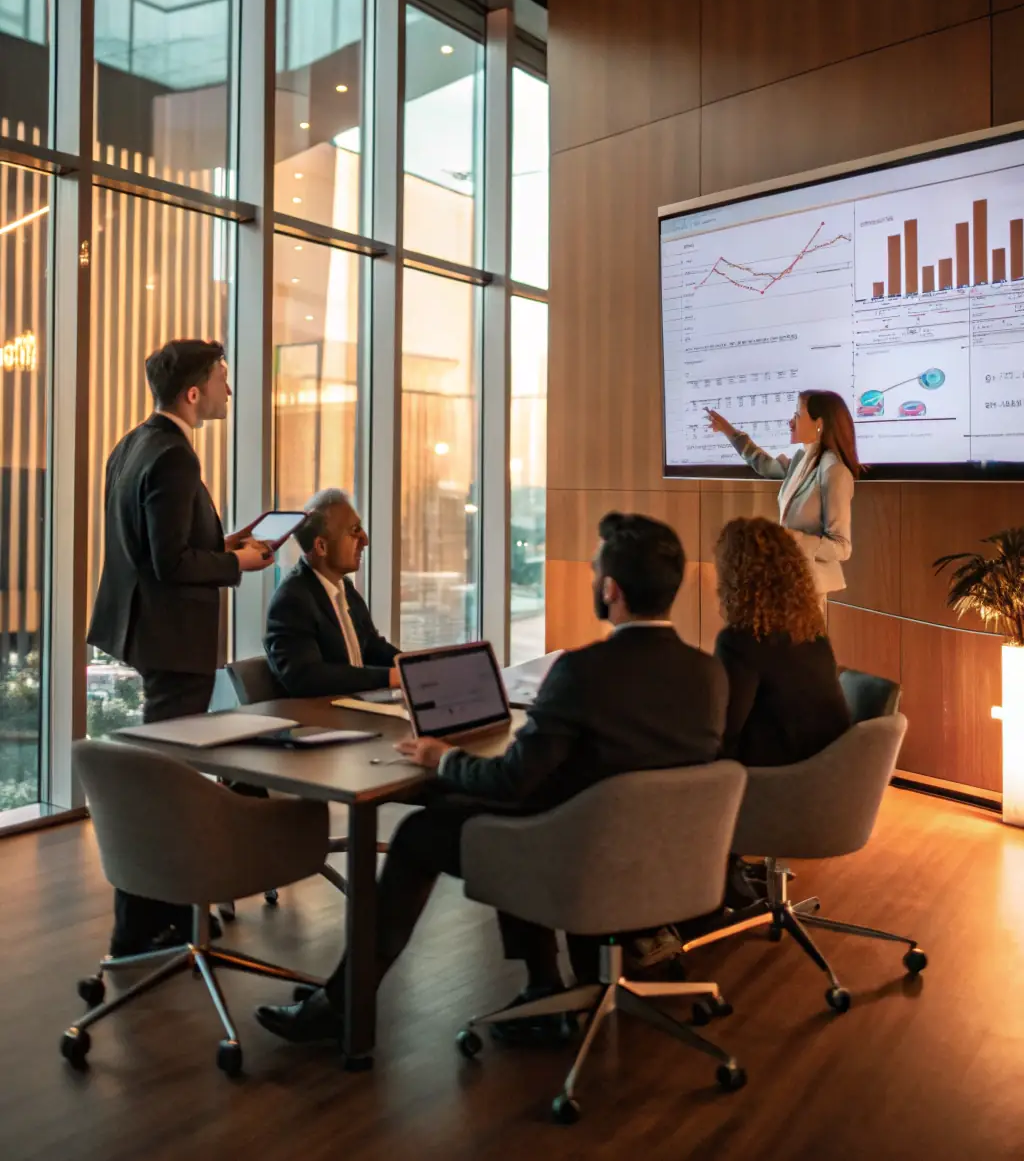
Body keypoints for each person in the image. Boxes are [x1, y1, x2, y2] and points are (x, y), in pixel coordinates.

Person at [254, 512, 728, 1047]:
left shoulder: (581, 672)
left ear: (611, 589)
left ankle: (341, 1007)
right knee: (485, 807)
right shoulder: (708, 673)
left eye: (596, 572)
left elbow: (511, 781)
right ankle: (541, 988)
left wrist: (442, 758)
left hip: (579, 858)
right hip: (671, 860)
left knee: (420, 833)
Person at [87, 338, 274, 955]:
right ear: (193, 393)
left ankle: (154, 919)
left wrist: (230, 543)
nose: (228, 389)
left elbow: (154, 544)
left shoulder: (133, 444)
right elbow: (170, 562)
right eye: (223, 379)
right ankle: (144, 926)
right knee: (166, 783)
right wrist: (238, 564)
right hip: (175, 642)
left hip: (147, 633)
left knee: (162, 776)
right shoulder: (175, 457)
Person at [713, 517, 850, 768]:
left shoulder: (740, 642)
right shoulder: (812, 630)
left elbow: (723, 731)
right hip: (829, 775)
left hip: (775, 783)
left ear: (734, 577)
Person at [706, 389, 860, 604]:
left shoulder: (833, 471)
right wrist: (730, 432)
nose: (790, 422)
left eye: (797, 415)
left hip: (808, 587)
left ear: (819, 424)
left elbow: (841, 547)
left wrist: (791, 540)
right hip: (785, 579)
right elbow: (764, 464)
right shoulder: (802, 459)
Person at [264, 488, 400, 697]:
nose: (365, 540)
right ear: (321, 546)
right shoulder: (292, 600)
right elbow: (307, 677)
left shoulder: (345, 588)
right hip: (319, 722)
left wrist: (414, 667)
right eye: (354, 530)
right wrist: (389, 677)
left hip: (355, 710)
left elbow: (372, 647)